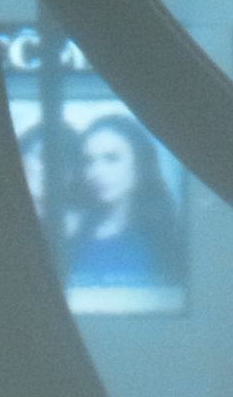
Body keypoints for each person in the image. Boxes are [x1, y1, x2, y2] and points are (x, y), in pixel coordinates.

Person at [64, 112, 184, 290]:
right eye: (88, 161)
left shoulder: (169, 233)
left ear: (140, 164)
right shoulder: (71, 231)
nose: (97, 172)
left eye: (111, 158)